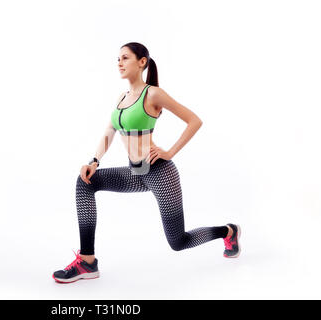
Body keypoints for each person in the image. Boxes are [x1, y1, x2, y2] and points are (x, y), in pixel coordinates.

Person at [52, 42, 241, 284]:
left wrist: (170, 152)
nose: (119, 63)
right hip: (135, 173)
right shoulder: (122, 97)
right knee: (85, 182)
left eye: (125, 58)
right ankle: (87, 262)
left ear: (142, 62)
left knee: (178, 242)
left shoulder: (152, 94)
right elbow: (109, 131)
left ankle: (229, 231)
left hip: (160, 174)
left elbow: (194, 120)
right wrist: (94, 161)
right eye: (117, 59)